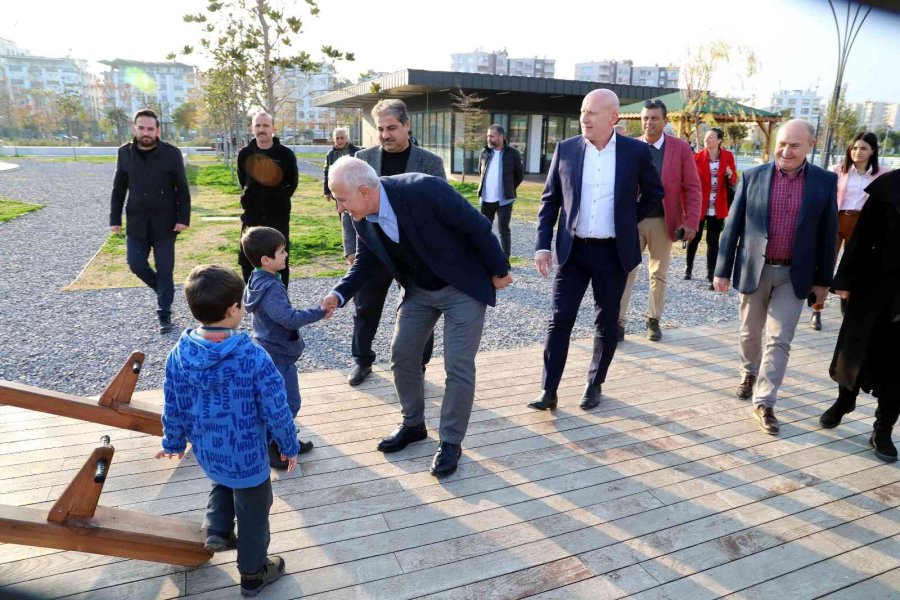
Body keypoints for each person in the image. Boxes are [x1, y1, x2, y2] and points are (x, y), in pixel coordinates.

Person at [323, 157, 511, 477]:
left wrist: (499, 270)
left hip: (462, 287)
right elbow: (366, 263)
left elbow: (476, 225)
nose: (340, 207)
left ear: (365, 191)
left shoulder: (424, 189)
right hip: (418, 291)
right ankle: (413, 425)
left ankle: (451, 441)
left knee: (458, 365)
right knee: (402, 354)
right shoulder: (362, 216)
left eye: (341, 199)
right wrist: (339, 294)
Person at [156, 264, 298, 597]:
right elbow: (276, 409)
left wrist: (173, 441)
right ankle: (253, 572)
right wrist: (288, 446)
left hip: (208, 446)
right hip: (248, 454)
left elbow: (172, 401)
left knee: (222, 478)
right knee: (254, 513)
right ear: (234, 310)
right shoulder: (253, 357)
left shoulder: (179, 354)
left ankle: (217, 527)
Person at [528, 89, 665, 413]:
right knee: (559, 319)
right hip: (573, 252)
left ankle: (594, 384)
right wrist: (542, 246)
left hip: (613, 254)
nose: (584, 118)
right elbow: (550, 203)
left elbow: (654, 191)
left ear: (613, 118)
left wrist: (628, 216)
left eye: (592, 112)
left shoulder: (635, 152)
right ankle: (549, 389)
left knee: (606, 324)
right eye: (582, 112)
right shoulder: (566, 150)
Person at [714, 119, 838, 435]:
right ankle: (748, 371)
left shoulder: (824, 182)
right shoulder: (753, 177)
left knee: (780, 339)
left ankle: (765, 402)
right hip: (754, 269)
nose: (785, 150)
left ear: (811, 145)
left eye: (794, 145)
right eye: (782, 143)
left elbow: (828, 235)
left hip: (794, 275)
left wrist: (823, 281)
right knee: (749, 332)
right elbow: (733, 226)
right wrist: (721, 270)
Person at [346, 99, 446, 386]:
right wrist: (350, 249)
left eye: (392, 128)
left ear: (407, 126)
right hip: (372, 249)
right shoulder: (362, 160)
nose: (386, 134)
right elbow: (347, 209)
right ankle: (362, 360)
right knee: (365, 307)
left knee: (423, 309)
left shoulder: (430, 163)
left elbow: (441, 211)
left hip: (414, 253)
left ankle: (419, 364)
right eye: (380, 128)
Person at [818, 169, 900, 462]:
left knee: (898, 367)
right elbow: (862, 235)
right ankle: (844, 401)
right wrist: (844, 280)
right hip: (873, 284)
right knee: (854, 349)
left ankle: (883, 428)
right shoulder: (889, 186)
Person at [241, 226, 331, 468]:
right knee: (288, 403)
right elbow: (288, 318)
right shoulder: (270, 287)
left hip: (269, 349)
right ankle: (275, 446)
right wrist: (319, 312)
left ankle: (283, 439)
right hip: (278, 355)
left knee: (277, 401)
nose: (286, 255)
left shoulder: (257, 278)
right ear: (266, 260)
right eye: (282, 252)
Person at [618, 99, 702, 342]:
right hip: (633, 221)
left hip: (664, 221)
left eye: (654, 118)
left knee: (658, 273)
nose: (648, 122)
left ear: (665, 121)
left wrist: (691, 222)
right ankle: (618, 322)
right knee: (625, 271)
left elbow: (693, 188)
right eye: (645, 118)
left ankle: (653, 320)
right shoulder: (630, 147)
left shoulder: (680, 149)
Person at [110, 108, 191, 334]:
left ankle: (164, 313)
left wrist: (183, 218)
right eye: (141, 128)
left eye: (150, 128)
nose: (146, 132)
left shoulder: (171, 153)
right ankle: (164, 290)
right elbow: (119, 188)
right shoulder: (124, 153)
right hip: (136, 222)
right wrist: (114, 219)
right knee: (136, 264)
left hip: (166, 223)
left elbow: (182, 189)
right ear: (134, 129)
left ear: (158, 130)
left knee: (165, 270)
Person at [809, 131, 888, 330]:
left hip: (863, 224)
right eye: (854, 148)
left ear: (873, 151)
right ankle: (816, 310)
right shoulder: (838, 170)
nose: (857, 152)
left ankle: (848, 306)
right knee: (825, 264)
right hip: (836, 220)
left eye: (863, 148)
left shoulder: (882, 173)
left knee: (855, 267)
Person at [237, 112, 299, 287]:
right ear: (252, 128)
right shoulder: (244, 154)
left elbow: (292, 182)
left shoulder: (285, 154)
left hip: (278, 218)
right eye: (257, 126)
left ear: (273, 128)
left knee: (279, 260)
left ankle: (280, 303)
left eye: (265, 126)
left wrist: (279, 198)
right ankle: (254, 301)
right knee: (248, 259)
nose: (261, 129)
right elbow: (243, 181)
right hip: (252, 218)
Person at [687, 127, 738, 289]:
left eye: (710, 137)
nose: (706, 140)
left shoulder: (728, 156)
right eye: (705, 137)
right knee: (694, 238)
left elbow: (733, 178)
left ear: (719, 140)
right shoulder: (696, 157)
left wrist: (731, 174)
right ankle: (689, 269)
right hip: (700, 205)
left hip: (718, 205)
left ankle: (711, 275)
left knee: (713, 241)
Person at [477, 124, 524, 263]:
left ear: (501, 137)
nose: (488, 138)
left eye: (492, 136)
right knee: (483, 230)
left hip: (504, 200)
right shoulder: (484, 152)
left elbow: (519, 176)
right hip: (486, 199)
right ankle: (484, 259)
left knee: (504, 231)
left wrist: (508, 189)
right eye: (487, 136)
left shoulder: (513, 153)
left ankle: (505, 260)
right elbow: (481, 172)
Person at [323, 127, 361, 266]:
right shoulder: (330, 154)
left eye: (342, 137)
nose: (340, 140)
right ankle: (348, 245)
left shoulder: (356, 151)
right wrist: (326, 191)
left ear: (347, 138)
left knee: (356, 218)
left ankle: (358, 244)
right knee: (344, 219)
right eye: (337, 138)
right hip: (338, 193)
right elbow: (326, 173)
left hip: (354, 191)